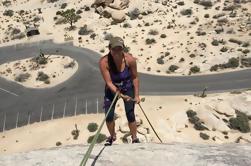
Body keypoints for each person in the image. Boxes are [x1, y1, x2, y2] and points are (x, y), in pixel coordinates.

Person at [99, 36, 141, 145]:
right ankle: (112, 136)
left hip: (127, 88)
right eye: (114, 49)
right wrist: (121, 95)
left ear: (123, 48)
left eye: (120, 49)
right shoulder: (104, 62)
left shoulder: (130, 60)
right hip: (112, 89)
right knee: (108, 116)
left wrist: (136, 95)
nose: (117, 52)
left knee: (130, 114)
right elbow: (108, 82)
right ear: (109, 48)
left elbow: (135, 77)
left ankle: (134, 137)